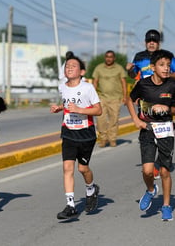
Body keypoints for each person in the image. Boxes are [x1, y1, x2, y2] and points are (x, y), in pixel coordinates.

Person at [126, 49, 175, 221]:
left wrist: (166, 109)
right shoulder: (143, 84)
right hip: (147, 130)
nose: (166, 69)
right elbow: (129, 99)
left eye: (168, 66)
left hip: (165, 130)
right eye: (162, 65)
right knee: (148, 171)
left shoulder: (172, 85)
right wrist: (136, 120)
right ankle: (150, 190)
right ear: (153, 67)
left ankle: (166, 206)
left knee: (164, 171)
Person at [50, 51, 102, 220]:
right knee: (67, 168)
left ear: (82, 72)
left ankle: (91, 189)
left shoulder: (88, 87)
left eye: (73, 66)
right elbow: (67, 104)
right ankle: (70, 205)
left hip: (86, 133)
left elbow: (98, 110)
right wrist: (59, 108)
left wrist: (79, 110)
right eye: (67, 66)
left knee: (83, 168)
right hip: (68, 132)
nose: (69, 68)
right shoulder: (62, 87)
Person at [126, 29, 175, 179]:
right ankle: (150, 162)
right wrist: (130, 70)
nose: (151, 43)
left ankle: (160, 160)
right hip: (146, 95)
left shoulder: (167, 56)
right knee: (149, 128)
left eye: (155, 41)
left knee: (166, 125)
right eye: (149, 41)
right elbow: (133, 75)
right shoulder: (139, 56)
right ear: (145, 42)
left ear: (158, 43)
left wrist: (164, 72)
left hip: (164, 94)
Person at [93, 50, 127, 147]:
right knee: (100, 119)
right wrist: (92, 96)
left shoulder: (119, 68)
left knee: (114, 120)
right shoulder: (99, 68)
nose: (109, 58)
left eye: (111, 57)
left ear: (114, 58)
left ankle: (112, 139)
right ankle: (103, 139)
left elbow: (123, 82)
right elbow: (95, 82)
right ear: (105, 57)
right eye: (107, 56)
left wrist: (125, 96)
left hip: (115, 99)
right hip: (101, 98)